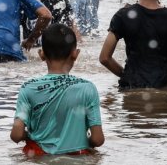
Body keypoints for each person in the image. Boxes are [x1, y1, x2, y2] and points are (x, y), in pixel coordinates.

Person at [11, 24, 104, 156]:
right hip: (77, 157)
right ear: (75, 54)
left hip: (39, 156)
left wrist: (30, 136)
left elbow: (16, 134)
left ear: (41, 54)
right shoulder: (87, 88)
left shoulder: (28, 88)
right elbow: (97, 139)